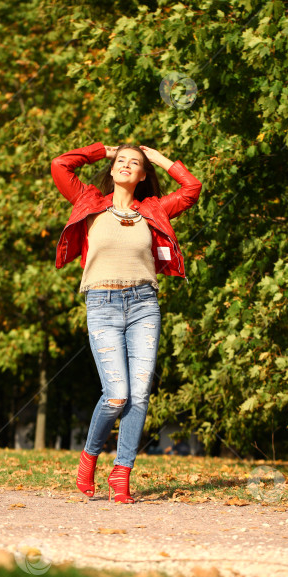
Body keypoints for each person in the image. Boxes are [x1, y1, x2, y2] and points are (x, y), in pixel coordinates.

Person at [51, 141, 202, 503]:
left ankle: (122, 473)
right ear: (112, 167)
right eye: (121, 160)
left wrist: (159, 159)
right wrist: (103, 149)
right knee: (117, 395)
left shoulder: (153, 210)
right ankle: (89, 457)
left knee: (139, 394)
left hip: (143, 305)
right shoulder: (89, 200)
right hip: (101, 303)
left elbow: (192, 188)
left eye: (135, 163)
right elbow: (60, 164)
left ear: (142, 173)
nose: (126, 165)